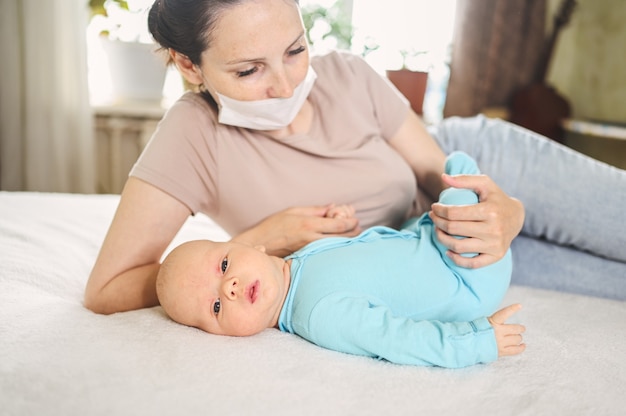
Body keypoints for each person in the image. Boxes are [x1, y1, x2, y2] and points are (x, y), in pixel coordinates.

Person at [84, 0, 626, 315]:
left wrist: (507, 210)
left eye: (295, 51)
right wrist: (262, 239)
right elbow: (106, 290)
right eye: (249, 70)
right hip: (432, 260)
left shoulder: (346, 73)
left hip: (479, 175)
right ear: (189, 64)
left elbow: (437, 172)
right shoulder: (192, 134)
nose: (286, 83)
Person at [156, 152, 526, 368]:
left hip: (427, 242)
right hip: (468, 276)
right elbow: (398, 339)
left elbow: (361, 263)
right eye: (217, 306)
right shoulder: (319, 315)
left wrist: (342, 228)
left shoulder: (296, 266)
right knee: (461, 188)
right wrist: (476, 342)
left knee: (453, 182)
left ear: (256, 246)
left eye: (223, 265)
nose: (230, 286)